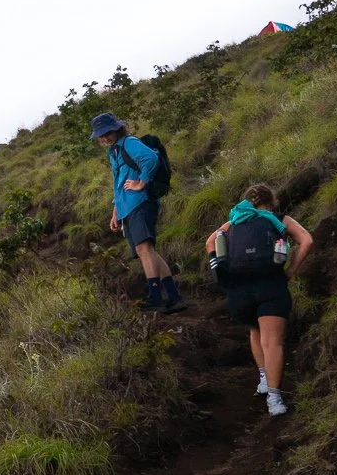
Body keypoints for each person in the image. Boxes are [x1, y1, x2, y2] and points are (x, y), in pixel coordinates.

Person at [206, 183, 314, 417]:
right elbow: (306, 240)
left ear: (247, 201)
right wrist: (290, 271)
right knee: (272, 342)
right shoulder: (279, 219)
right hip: (271, 285)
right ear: (271, 202)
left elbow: (210, 242)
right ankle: (274, 398)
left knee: (255, 330)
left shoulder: (234, 221)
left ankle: (263, 378)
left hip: (239, 290)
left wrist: (222, 273)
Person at [90, 111, 184, 311]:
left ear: (117, 129)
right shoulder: (114, 151)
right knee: (147, 251)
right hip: (128, 206)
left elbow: (151, 159)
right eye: (101, 135)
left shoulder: (128, 143)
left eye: (108, 133)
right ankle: (173, 296)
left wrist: (142, 182)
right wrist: (116, 211)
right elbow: (118, 183)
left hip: (140, 203)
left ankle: (155, 297)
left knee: (144, 249)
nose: (105, 138)